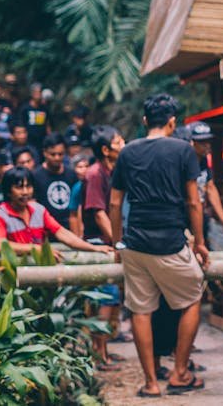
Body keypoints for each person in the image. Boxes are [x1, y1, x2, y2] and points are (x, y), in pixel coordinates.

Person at [109, 93, 208, 398]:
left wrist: (117, 242)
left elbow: (115, 202)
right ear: (172, 122)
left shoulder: (127, 152)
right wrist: (201, 243)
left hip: (136, 242)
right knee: (192, 298)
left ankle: (151, 383)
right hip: (170, 240)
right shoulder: (183, 150)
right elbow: (193, 201)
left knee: (141, 310)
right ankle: (179, 373)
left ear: (144, 122)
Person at [80, 125, 127, 371]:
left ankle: (104, 348)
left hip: (111, 243)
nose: (124, 144)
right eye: (119, 141)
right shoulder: (95, 174)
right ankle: (99, 353)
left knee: (111, 301)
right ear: (106, 150)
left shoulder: (113, 171)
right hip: (99, 243)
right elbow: (99, 214)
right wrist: (118, 243)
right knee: (105, 300)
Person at [0, 167, 112, 258]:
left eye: (28, 186)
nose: (25, 192)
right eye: (19, 187)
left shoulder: (38, 210)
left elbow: (63, 234)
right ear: (8, 191)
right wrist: (37, 249)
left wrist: (94, 248)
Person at [187, 121, 223, 246]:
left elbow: (210, 187)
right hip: (183, 217)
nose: (207, 145)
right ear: (191, 142)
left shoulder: (202, 161)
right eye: (202, 142)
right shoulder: (183, 162)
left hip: (200, 215)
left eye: (208, 141)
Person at [33, 133, 77, 230]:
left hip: (69, 229)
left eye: (60, 154)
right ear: (45, 153)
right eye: (53, 154)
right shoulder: (36, 176)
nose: (57, 158)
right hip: (46, 229)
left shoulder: (71, 174)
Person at [19, 83, 50, 151]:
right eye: (37, 92)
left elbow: (47, 124)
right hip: (29, 141)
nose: (39, 95)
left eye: (40, 92)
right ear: (32, 93)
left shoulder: (44, 109)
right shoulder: (25, 108)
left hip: (42, 141)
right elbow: (22, 124)